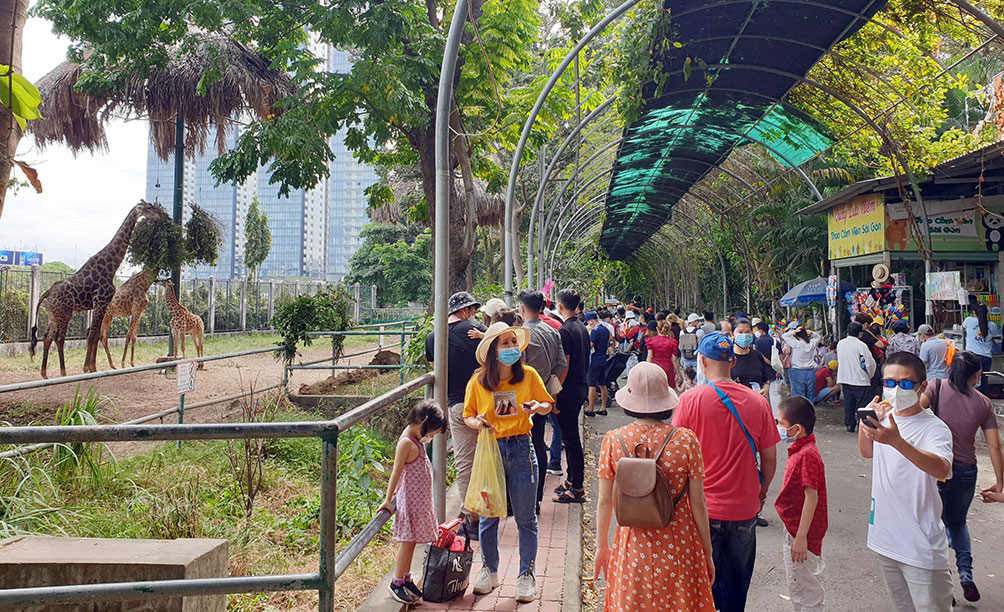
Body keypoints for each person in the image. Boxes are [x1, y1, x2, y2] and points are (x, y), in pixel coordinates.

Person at [593, 362, 716, 611]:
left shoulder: (613, 440)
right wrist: (707, 551)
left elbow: (605, 501)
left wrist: (601, 546)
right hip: (680, 543)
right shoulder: (686, 440)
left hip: (632, 546)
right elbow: (698, 503)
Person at [672, 332, 780, 612]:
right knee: (737, 585)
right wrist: (762, 491)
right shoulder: (758, 402)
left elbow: (676, 456)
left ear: (703, 362)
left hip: (701, 509)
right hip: (744, 507)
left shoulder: (689, 401)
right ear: (732, 362)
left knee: (702, 584)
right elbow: (769, 458)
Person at [464, 322, 555, 603]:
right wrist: (478, 423)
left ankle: (526, 575)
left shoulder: (528, 376)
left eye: (513, 342)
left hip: (521, 447)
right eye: (504, 343)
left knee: (527, 518)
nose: (511, 348)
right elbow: (468, 415)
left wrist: (538, 407)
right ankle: (488, 571)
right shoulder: (478, 381)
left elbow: (547, 403)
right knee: (489, 516)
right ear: (493, 350)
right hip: (489, 450)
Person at [858, 352, 954, 612]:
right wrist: (866, 421)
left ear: (922, 385)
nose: (896, 389)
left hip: (920, 545)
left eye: (905, 383)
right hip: (886, 539)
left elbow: (942, 468)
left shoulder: (934, 428)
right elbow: (867, 452)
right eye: (889, 383)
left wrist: (897, 442)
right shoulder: (886, 418)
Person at [919, 350, 1004, 602]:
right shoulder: (983, 403)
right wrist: (1000, 482)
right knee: (958, 523)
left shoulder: (935, 388)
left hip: (935, 466)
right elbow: (994, 446)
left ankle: (943, 581)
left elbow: (913, 414)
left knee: (934, 523)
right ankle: (966, 575)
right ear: (977, 375)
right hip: (966, 470)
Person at [425, 291, 485, 539]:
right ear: (465, 310)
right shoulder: (477, 329)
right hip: (486, 402)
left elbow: (435, 371)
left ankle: (472, 518)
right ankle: (498, 507)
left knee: (466, 462)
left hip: (457, 405)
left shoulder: (432, 337)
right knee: (494, 456)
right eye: (472, 309)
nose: (473, 314)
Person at [379, 400, 449, 604]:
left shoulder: (416, 440)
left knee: (412, 544)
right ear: (423, 424)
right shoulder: (407, 443)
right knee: (407, 544)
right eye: (432, 433)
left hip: (419, 503)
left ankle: (406, 578)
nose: (431, 437)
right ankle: (396, 582)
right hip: (410, 503)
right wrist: (387, 500)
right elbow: (396, 472)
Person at [774, 396, 828, 612]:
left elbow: (811, 496)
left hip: (801, 532)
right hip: (796, 528)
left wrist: (801, 538)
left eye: (780, 423)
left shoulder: (807, 455)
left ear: (796, 429)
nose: (777, 427)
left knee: (805, 588)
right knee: (800, 584)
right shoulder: (801, 450)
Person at [518, 289, 568, 512]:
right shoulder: (552, 331)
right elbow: (561, 365)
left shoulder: (521, 335)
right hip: (543, 397)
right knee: (538, 444)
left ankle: (524, 499)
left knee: (523, 447)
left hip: (524, 399)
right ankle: (537, 498)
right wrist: (549, 390)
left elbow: (518, 370)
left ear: (521, 308)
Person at [551, 289, 590, 504]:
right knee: (571, 438)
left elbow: (563, 366)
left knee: (571, 439)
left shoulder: (565, 331)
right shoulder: (581, 328)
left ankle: (577, 488)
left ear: (560, 306)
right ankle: (572, 479)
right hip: (580, 388)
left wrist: (555, 392)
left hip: (568, 390)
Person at [836, 322, 876, 433]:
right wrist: (870, 375)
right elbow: (869, 363)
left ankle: (850, 424)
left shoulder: (841, 343)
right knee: (862, 404)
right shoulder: (861, 345)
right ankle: (861, 424)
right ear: (860, 334)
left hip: (845, 377)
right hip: (860, 379)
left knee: (849, 402)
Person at [962, 300, 1000, 393]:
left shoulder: (969, 320)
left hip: (972, 356)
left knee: (972, 381)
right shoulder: (993, 325)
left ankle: (974, 402)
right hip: (986, 357)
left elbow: (963, 328)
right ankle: (985, 402)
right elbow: (996, 340)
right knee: (983, 381)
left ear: (974, 312)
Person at [731, 318, 773, 398]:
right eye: (740, 332)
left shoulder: (757, 356)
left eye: (747, 332)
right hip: (735, 403)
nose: (744, 335)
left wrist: (766, 387)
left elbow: (765, 380)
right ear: (732, 335)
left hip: (756, 401)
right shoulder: (727, 358)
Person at [783, 326, 822, 400]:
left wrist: (794, 331)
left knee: (798, 397)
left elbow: (784, 336)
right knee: (810, 395)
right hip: (810, 371)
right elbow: (818, 337)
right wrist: (812, 333)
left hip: (797, 371)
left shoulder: (796, 344)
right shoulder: (812, 343)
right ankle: (809, 410)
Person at [645, 320, 682, 389]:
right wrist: (679, 374)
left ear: (657, 329)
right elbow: (674, 359)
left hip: (655, 367)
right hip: (668, 368)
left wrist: (646, 370)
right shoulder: (672, 342)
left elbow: (649, 357)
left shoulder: (651, 341)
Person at [585, 312, 610, 416]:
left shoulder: (594, 331)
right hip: (603, 359)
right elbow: (608, 343)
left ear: (591, 320)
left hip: (594, 360)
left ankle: (590, 408)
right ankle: (603, 407)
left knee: (591, 385)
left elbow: (591, 345)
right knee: (602, 384)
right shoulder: (605, 330)